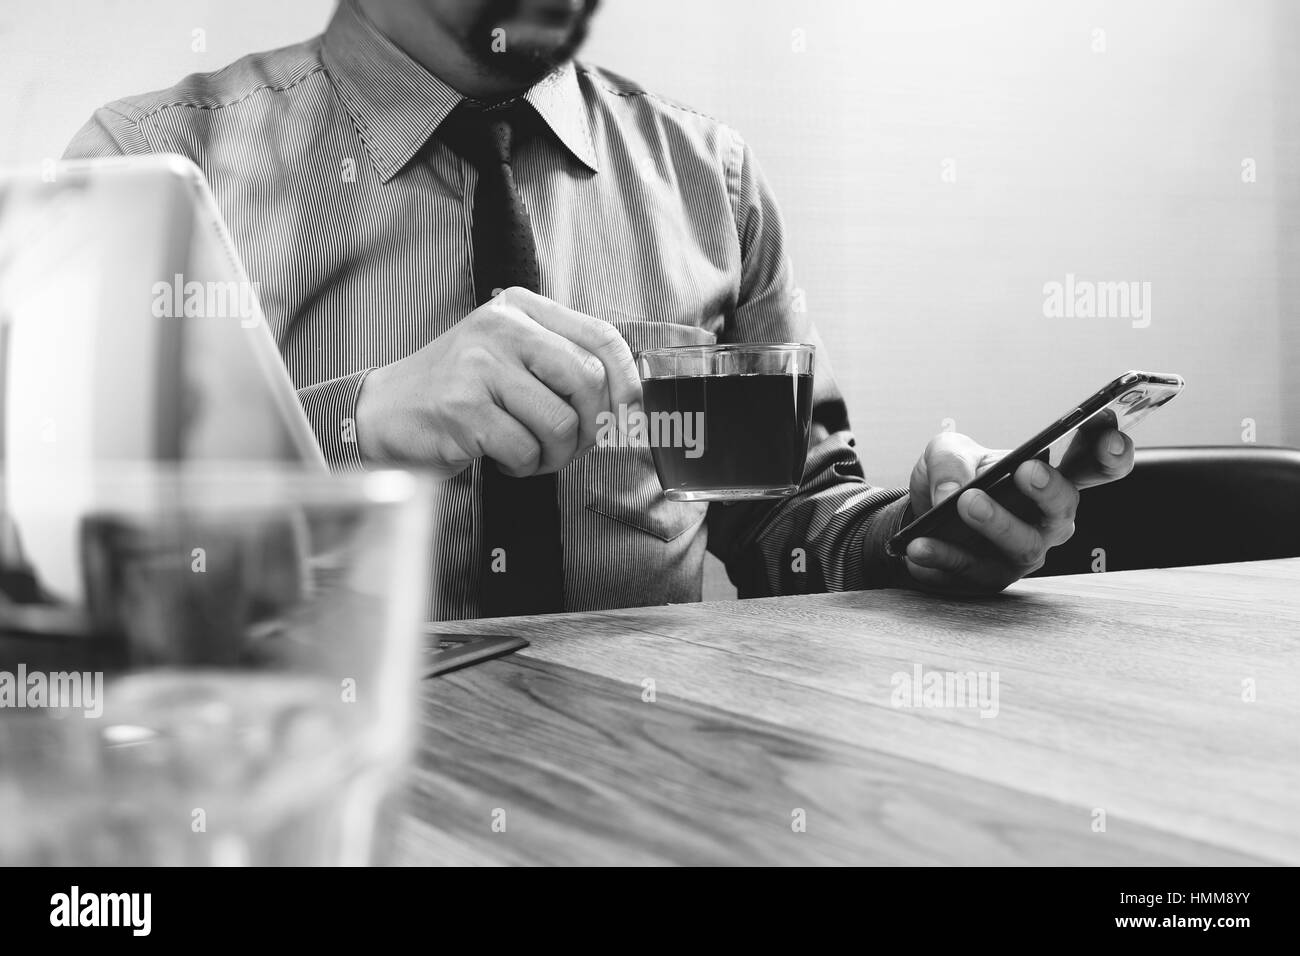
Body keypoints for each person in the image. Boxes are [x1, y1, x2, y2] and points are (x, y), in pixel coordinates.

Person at [65, 0, 1133, 618]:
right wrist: (357, 423)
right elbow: (69, 568)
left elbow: (787, 524)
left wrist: (921, 533)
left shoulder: (711, 178)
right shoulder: (145, 170)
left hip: (656, 806)